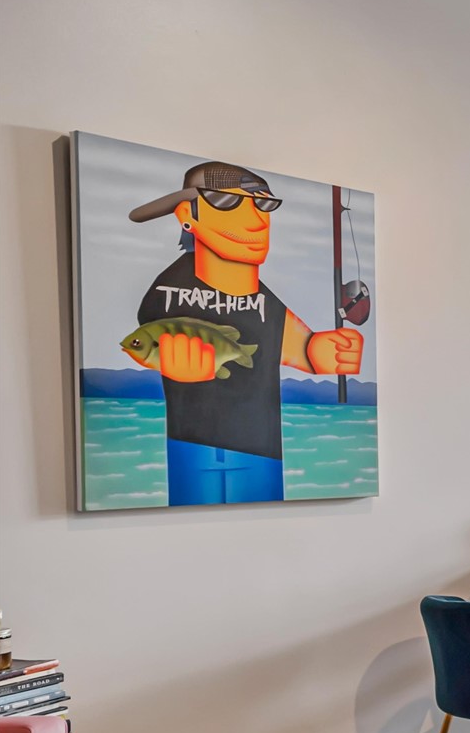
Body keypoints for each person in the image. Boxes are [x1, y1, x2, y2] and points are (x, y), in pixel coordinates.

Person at [125, 162, 363, 505]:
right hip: (195, 447)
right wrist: (174, 362)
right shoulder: (170, 289)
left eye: (264, 205)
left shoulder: (262, 297)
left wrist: (324, 351)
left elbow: (299, 347)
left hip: (264, 448)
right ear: (187, 214)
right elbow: (149, 339)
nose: (256, 221)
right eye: (226, 203)